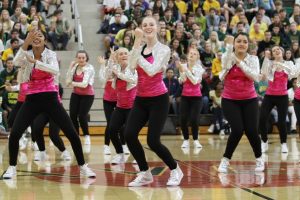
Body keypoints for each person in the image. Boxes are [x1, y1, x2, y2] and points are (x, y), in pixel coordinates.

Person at [2, 29, 95, 179]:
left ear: (45, 40)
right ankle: (12, 167)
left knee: (71, 133)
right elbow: (18, 61)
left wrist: (36, 63)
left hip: (51, 99)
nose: (36, 38)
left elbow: (55, 70)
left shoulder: (51, 55)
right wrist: (26, 43)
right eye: (33, 36)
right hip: (32, 99)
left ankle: (83, 166)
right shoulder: (26, 53)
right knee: (15, 133)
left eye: (40, 36)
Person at [124, 16, 183, 187]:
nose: (148, 27)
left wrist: (135, 50)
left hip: (159, 99)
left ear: (157, 28)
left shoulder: (164, 49)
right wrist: (136, 45)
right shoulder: (139, 47)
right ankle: (145, 173)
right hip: (141, 98)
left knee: (153, 141)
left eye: (151, 24)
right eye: (144, 25)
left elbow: (151, 70)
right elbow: (130, 67)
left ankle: (175, 169)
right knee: (129, 135)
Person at [217, 33, 264, 173]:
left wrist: (240, 63)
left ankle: (259, 158)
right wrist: (228, 67)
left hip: (249, 99)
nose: (242, 44)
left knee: (251, 131)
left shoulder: (253, 59)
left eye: (244, 41)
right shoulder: (227, 56)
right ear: (234, 44)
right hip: (229, 99)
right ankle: (225, 160)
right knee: (237, 130)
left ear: (248, 45)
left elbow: (256, 77)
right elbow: (221, 76)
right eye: (239, 41)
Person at [100, 47, 137, 164]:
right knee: (112, 130)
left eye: (126, 53)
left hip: (132, 107)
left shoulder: (133, 68)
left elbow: (132, 79)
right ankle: (120, 153)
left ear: (129, 56)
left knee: (130, 134)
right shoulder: (116, 68)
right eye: (120, 54)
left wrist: (119, 74)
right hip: (120, 106)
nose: (124, 55)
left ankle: (137, 155)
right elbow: (106, 75)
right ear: (118, 57)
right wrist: (111, 60)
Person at [259, 45, 297, 153]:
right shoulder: (270, 63)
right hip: (269, 95)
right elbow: (264, 74)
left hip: (282, 96)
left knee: (282, 122)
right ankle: (264, 142)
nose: (276, 51)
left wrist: (280, 64)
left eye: (278, 49)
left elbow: (293, 74)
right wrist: (266, 59)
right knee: (262, 119)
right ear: (272, 54)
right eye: (273, 50)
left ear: (282, 52)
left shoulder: (288, 63)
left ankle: (283, 144)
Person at [177, 48, 205, 149]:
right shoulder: (183, 66)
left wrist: (185, 70)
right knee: (183, 119)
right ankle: (186, 140)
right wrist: (181, 72)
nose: (192, 55)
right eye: (191, 53)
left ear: (197, 57)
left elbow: (194, 81)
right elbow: (182, 80)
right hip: (185, 96)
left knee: (194, 119)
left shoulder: (200, 69)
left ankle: (196, 140)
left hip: (196, 98)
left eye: (195, 54)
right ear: (188, 55)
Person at [66, 50, 95, 145]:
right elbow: (67, 80)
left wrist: (72, 83)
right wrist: (70, 67)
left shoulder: (89, 68)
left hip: (88, 95)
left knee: (82, 116)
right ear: (76, 58)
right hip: (76, 94)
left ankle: (86, 135)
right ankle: (76, 136)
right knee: (72, 115)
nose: (81, 59)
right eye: (79, 58)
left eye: (83, 57)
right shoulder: (75, 66)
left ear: (86, 58)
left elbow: (84, 84)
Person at [99, 49, 118, 155]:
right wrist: (103, 65)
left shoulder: (121, 69)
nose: (114, 58)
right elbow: (102, 79)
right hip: (108, 100)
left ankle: (124, 145)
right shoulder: (106, 69)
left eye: (115, 56)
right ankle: (106, 145)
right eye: (112, 56)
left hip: (120, 100)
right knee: (110, 123)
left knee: (122, 124)